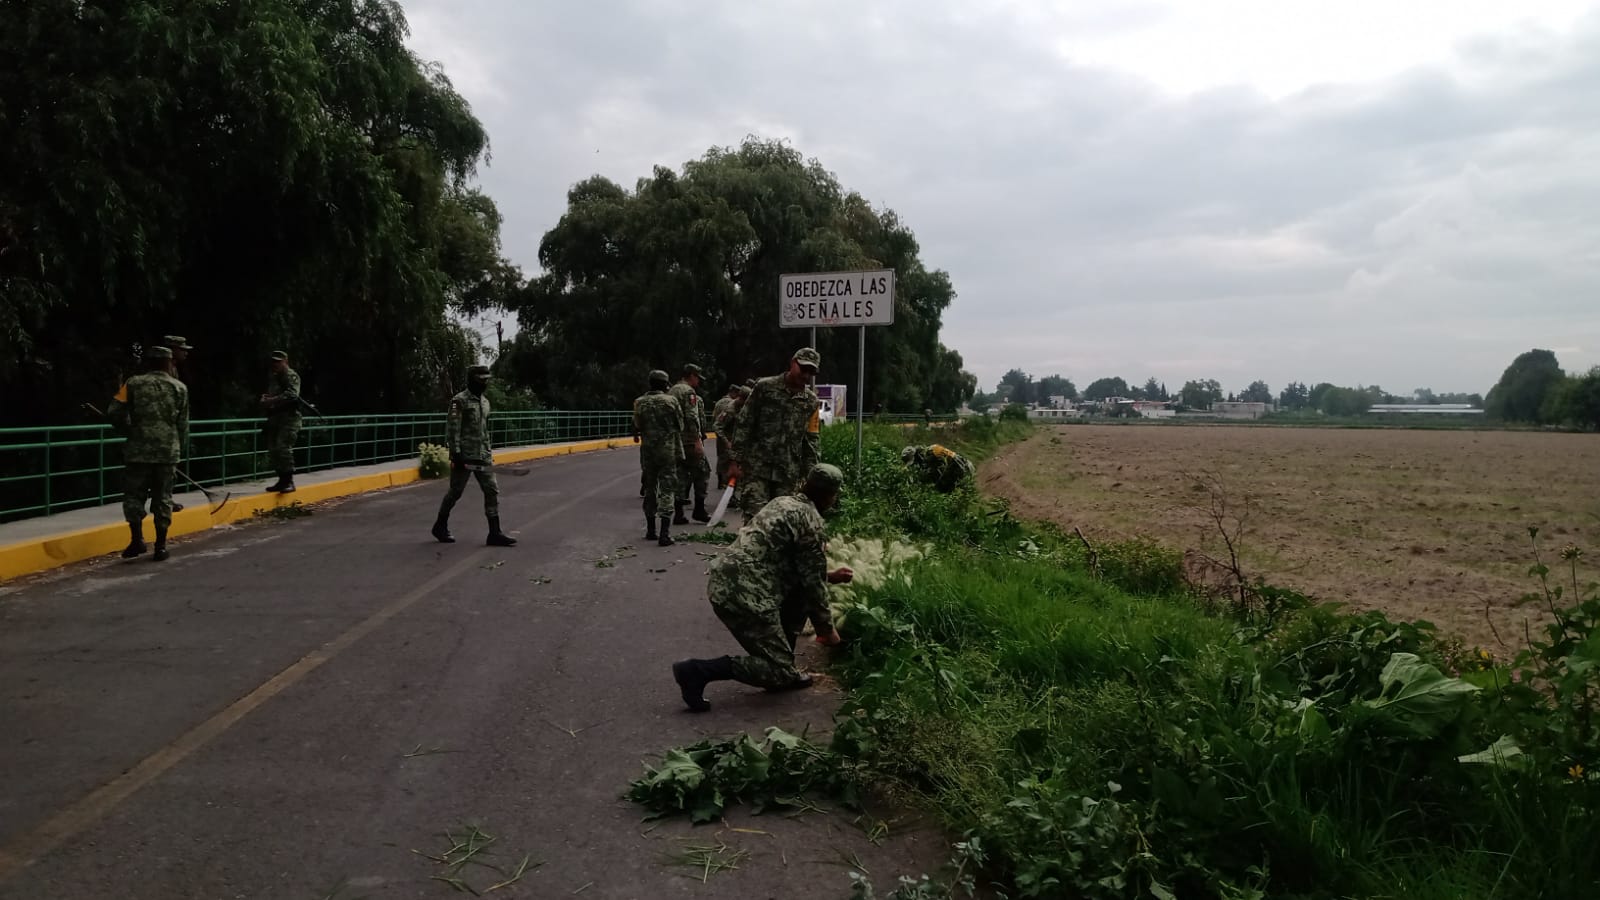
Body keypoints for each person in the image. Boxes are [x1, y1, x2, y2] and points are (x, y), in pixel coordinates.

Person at [671, 464, 854, 712]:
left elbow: (794, 566)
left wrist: (829, 576)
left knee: (798, 598)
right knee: (778, 673)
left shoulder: (782, 503)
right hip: (747, 594)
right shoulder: (811, 523)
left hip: (726, 581)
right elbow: (813, 586)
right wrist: (827, 630)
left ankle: (782, 663)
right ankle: (697, 671)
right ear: (829, 496)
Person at [106, 346, 189, 562]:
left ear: (149, 362)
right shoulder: (179, 388)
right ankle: (160, 546)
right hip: (167, 451)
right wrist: (179, 449)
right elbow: (183, 424)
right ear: (169, 362)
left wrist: (127, 430)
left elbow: (114, 411)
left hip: (138, 450)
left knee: (134, 496)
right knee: (163, 497)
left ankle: (137, 539)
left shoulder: (133, 383)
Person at [727, 348, 822, 521]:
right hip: (757, 467)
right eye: (803, 369)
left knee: (781, 522)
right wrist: (735, 460)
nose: (806, 375)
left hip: (787, 474)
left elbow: (811, 440)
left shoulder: (811, 402)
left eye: (811, 372)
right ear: (793, 363)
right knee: (755, 520)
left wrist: (811, 476)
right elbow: (744, 423)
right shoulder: (765, 387)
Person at [432, 365, 517, 547]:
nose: (485, 383)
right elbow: (452, 429)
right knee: (455, 492)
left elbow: (485, 430)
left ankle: (495, 533)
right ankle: (440, 525)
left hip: (483, 455)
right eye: (481, 380)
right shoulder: (458, 401)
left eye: (487, 379)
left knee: (492, 489)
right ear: (471, 380)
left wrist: (489, 451)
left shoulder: (485, 402)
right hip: (464, 455)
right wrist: (456, 455)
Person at [633, 369, 683, 545]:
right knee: (667, 489)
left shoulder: (639, 402)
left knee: (650, 488)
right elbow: (680, 425)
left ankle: (650, 530)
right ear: (665, 384)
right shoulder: (671, 401)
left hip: (648, 452)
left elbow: (637, 425)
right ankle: (665, 533)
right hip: (667, 451)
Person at [670, 363, 711, 523]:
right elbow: (692, 417)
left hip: (676, 440)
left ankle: (679, 513)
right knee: (703, 471)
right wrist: (697, 440)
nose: (698, 382)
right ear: (692, 375)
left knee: (680, 475)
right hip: (688, 441)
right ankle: (699, 510)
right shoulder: (688, 392)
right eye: (698, 378)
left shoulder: (673, 390)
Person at [260, 350, 302, 493]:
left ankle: (289, 481)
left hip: (289, 418)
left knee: (283, 448)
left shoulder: (290, 375)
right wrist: (266, 399)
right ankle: (281, 479)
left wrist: (272, 400)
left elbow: (292, 395)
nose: (275, 364)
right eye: (273, 361)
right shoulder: (274, 377)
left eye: (278, 361)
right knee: (273, 450)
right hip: (275, 417)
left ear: (285, 362)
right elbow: (272, 394)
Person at [161, 335, 194, 510]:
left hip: (155, 431)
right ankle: (164, 501)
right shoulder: (165, 372)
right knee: (166, 470)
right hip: (165, 432)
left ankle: (165, 499)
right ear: (172, 351)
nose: (185, 353)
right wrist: (182, 438)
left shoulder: (173, 370)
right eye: (182, 350)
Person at [710, 384, 744, 489]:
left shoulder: (719, 402)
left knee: (721, 458)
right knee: (729, 460)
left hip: (721, 436)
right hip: (728, 436)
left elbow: (714, 419)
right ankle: (727, 483)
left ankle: (721, 481)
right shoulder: (731, 406)